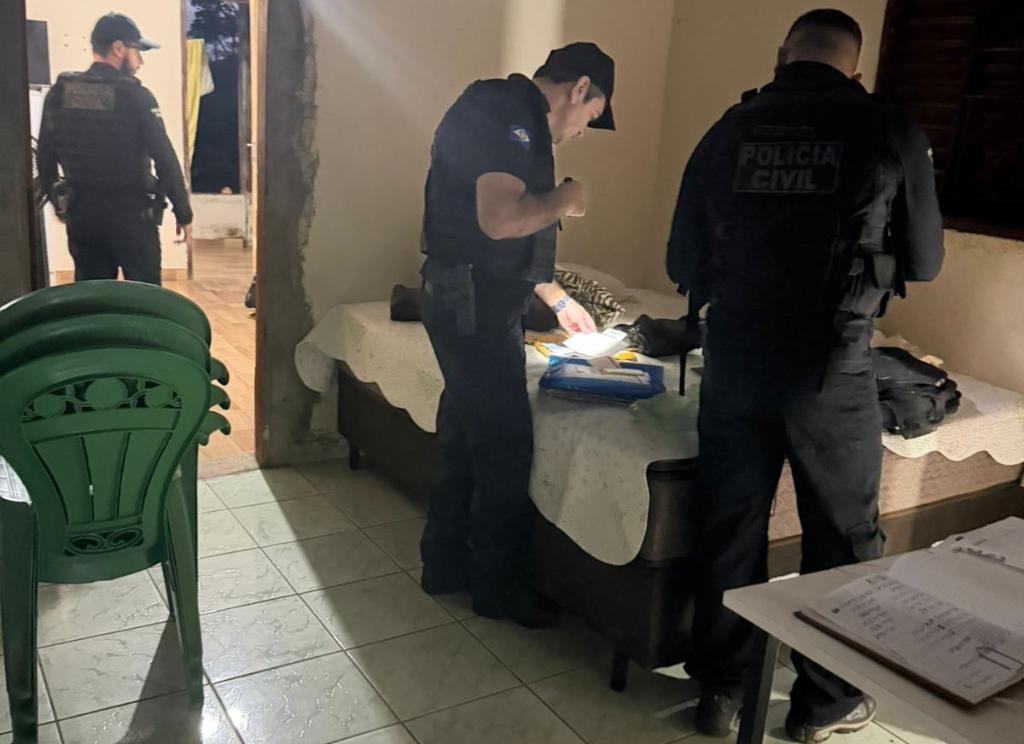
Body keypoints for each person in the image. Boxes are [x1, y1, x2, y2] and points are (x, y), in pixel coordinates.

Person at [666, 9, 943, 742]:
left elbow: (680, 260)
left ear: (782, 55)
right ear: (855, 67)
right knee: (841, 538)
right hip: (828, 366)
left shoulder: (731, 128)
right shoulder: (887, 128)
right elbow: (924, 261)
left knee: (729, 528)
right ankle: (823, 705)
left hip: (734, 362)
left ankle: (722, 692)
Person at [419, 43, 616, 628]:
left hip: (474, 298)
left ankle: (445, 564)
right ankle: (498, 588)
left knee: (464, 433)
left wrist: (556, 297)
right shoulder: (507, 113)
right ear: (579, 89)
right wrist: (568, 199)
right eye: (590, 116)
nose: (580, 132)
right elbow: (501, 220)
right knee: (505, 444)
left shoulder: (509, 114)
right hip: (472, 303)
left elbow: (505, 238)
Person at [37, 13, 193, 286]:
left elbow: (45, 156)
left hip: (83, 216)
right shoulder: (136, 96)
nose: (140, 61)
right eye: (137, 51)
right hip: (132, 216)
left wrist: (60, 204)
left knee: (93, 298)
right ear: (118, 48)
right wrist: (183, 213)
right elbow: (164, 157)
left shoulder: (60, 93)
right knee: (144, 298)